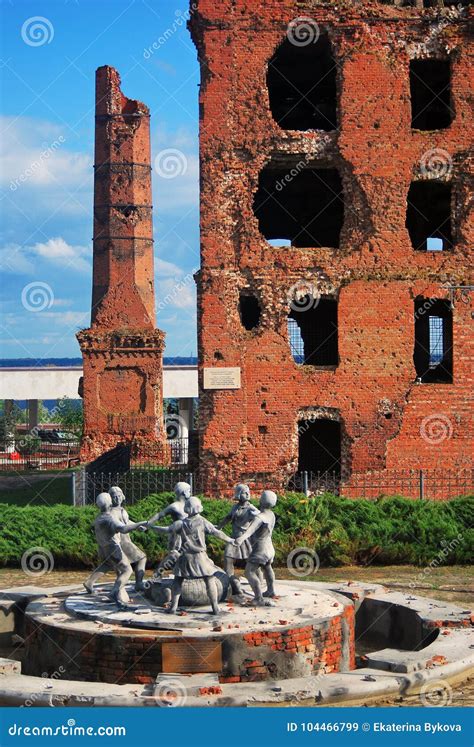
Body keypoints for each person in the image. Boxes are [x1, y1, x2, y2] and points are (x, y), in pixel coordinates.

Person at [150, 496, 235, 615]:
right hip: (200, 557)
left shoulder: (181, 523)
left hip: (185, 557)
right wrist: (229, 540)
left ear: (187, 508)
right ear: (198, 508)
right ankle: (215, 607)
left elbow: (167, 530)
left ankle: (173, 607)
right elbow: (216, 532)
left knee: (178, 581)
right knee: (209, 579)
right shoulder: (202, 521)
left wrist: (151, 527)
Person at [83, 492, 148, 607]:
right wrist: (139, 524)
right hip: (113, 548)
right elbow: (123, 528)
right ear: (110, 503)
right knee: (127, 570)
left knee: (107, 564)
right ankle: (114, 592)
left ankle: (89, 582)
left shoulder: (99, 517)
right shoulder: (109, 518)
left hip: (102, 548)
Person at [235, 490, 277, 607]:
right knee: (267, 567)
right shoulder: (271, 515)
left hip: (260, 549)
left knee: (249, 572)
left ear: (261, 501)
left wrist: (240, 539)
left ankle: (258, 598)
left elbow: (250, 531)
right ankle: (271, 590)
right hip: (270, 548)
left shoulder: (260, 517)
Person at [217, 483, 260, 597]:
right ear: (239, 494)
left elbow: (260, 518)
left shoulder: (251, 508)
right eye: (244, 492)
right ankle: (231, 582)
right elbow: (228, 517)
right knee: (228, 558)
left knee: (253, 561)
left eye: (248, 492)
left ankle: (259, 584)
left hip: (246, 539)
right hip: (234, 539)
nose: (247, 494)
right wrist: (219, 526)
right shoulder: (235, 507)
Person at [109, 486, 147, 592]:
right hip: (121, 541)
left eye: (119, 496)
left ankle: (121, 587)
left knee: (123, 567)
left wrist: (137, 526)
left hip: (125, 540)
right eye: (114, 497)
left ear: (123, 496)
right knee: (141, 558)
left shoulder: (122, 510)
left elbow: (126, 522)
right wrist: (137, 525)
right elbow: (122, 528)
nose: (117, 498)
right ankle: (137, 584)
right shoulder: (112, 513)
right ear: (110, 499)